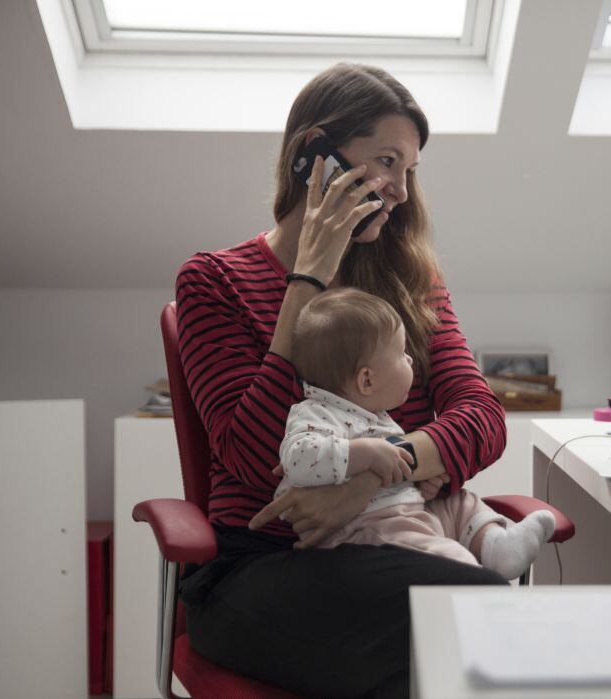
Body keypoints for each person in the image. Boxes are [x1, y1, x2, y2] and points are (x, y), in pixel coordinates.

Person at [174, 63, 514, 698]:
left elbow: (483, 419)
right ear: (315, 156)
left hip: (398, 543)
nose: (402, 191)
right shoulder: (213, 281)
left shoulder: (413, 284)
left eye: (409, 170)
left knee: (454, 634)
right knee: (466, 623)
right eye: (387, 161)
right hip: (263, 569)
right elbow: (252, 460)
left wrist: (364, 481)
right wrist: (307, 282)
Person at [280, 287, 555, 579]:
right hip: (366, 529)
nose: (411, 360)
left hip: (402, 509)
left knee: (459, 501)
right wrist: (366, 454)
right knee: (447, 558)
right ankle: (467, 570)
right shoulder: (316, 413)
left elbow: (479, 415)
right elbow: (297, 460)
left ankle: (496, 547)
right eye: (401, 353)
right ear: (367, 380)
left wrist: (420, 480)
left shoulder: (375, 413)